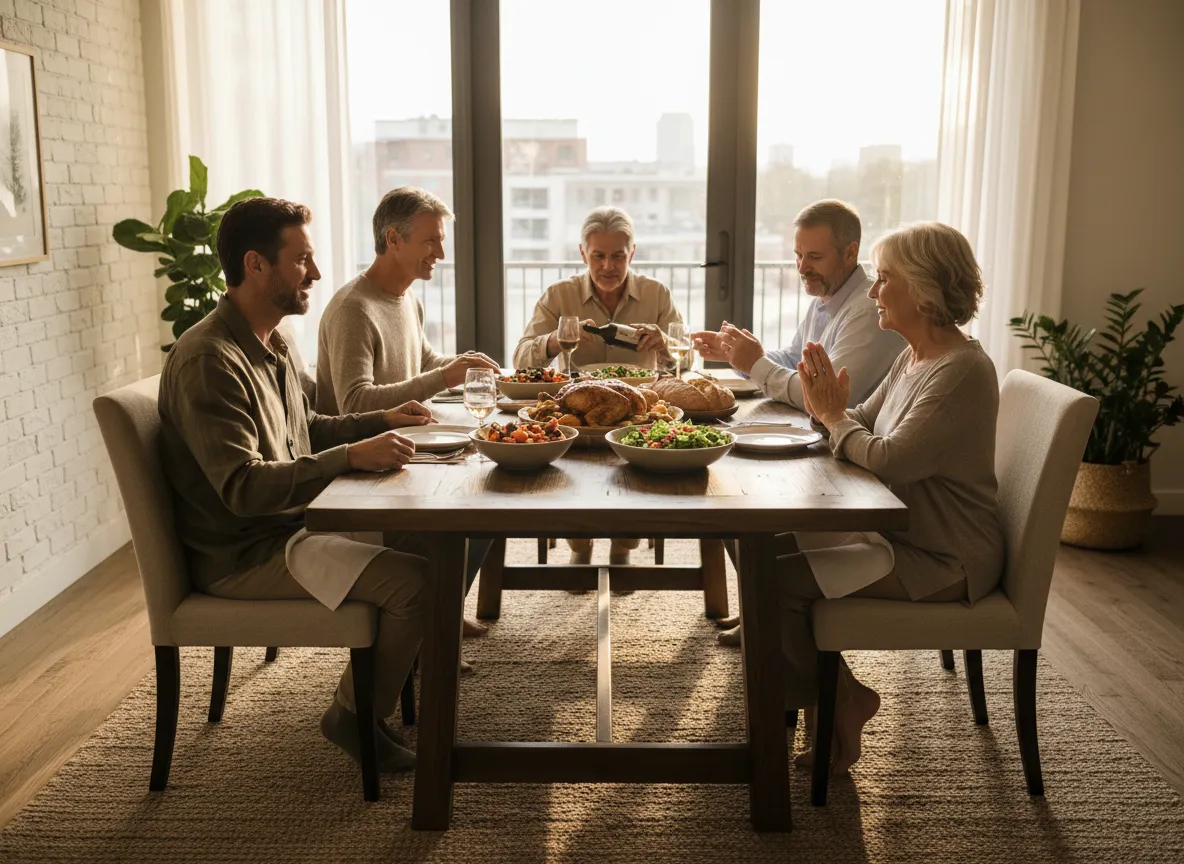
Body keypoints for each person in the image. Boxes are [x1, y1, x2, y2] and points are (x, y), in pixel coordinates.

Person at [159, 197, 435, 773]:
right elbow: (243, 489)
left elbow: (305, 428)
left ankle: (397, 679)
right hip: (245, 551)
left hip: (286, 528)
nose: (315, 273)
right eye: (302, 260)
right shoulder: (209, 360)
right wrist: (348, 457)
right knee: (416, 583)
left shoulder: (272, 340)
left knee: (424, 541)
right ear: (257, 265)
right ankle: (352, 717)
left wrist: (380, 421)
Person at [781, 221, 1005, 775]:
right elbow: (860, 420)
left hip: (944, 556)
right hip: (904, 534)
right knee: (770, 543)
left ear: (925, 290)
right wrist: (827, 407)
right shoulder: (916, 357)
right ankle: (802, 695)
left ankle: (841, 701)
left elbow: (889, 458)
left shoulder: (959, 372)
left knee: (775, 582)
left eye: (885, 280)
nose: (874, 291)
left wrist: (832, 417)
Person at [692, 200, 903, 644]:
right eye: (798, 255)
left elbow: (818, 392)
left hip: (851, 460)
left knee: (736, 497)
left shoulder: (867, 312)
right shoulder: (828, 298)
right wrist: (742, 355)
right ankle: (761, 608)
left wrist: (757, 366)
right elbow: (795, 359)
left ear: (851, 252)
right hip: (831, 440)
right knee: (729, 497)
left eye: (814, 256)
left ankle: (765, 610)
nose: (802, 267)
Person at [317, 186, 496, 654]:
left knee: (491, 499)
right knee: (476, 509)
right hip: (362, 467)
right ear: (393, 239)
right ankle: (429, 627)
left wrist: (461, 365)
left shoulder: (406, 298)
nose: (441, 253)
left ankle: (438, 615)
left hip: (405, 450)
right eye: (431, 241)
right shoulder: (353, 309)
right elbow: (354, 402)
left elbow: (420, 362)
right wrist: (441, 377)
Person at [514, 206, 687, 567]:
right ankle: (580, 544)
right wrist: (554, 341)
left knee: (639, 467)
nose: (608, 266)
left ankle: (624, 544)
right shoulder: (558, 295)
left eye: (618, 256)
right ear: (583, 253)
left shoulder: (658, 295)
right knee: (569, 467)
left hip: (638, 415)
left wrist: (665, 350)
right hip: (577, 416)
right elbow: (520, 359)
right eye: (598, 256)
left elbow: (684, 366)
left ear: (632, 253)